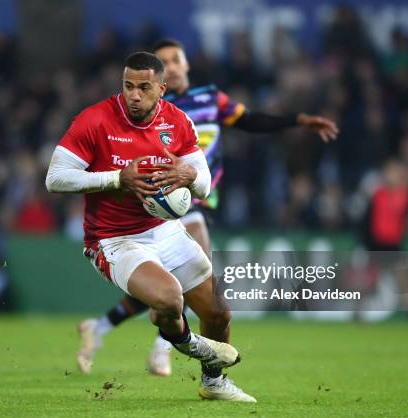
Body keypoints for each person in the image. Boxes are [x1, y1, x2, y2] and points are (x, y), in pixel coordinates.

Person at [77, 39, 339, 377]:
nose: (170, 65)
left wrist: (298, 120)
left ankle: (101, 328)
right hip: (160, 204)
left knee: (169, 288)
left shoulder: (211, 100)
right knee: (190, 280)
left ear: (186, 65)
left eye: (176, 59)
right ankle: (164, 351)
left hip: (198, 196)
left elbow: (251, 120)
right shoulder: (150, 107)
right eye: (164, 61)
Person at [46, 52, 256, 402]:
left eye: (144, 87)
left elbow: (203, 183)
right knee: (168, 299)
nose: (134, 95)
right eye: (128, 86)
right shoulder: (95, 120)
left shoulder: (178, 122)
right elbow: (55, 178)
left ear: (162, 87)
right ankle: (194, 346)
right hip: (114, 239)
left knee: (219, 312)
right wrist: (117, 179)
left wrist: (189, 175)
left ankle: (213, 383)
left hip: (165, 230)